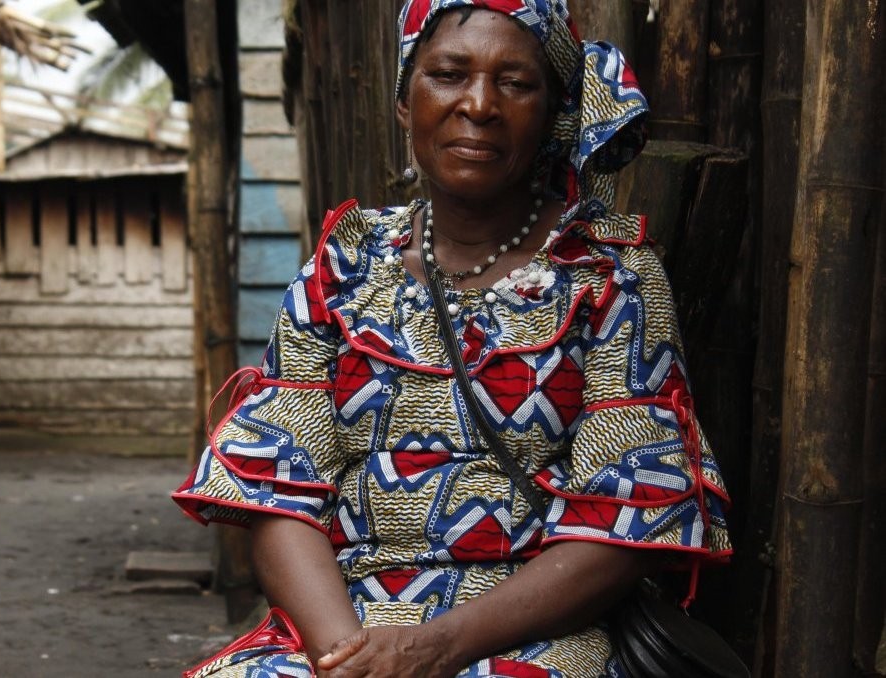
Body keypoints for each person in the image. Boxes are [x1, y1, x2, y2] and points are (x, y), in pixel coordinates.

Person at [171, 1, 733, 676]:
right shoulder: (343, 268)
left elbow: (631, 514)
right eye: (447, 74)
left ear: (552, 113)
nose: (479, 105)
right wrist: (345, 657)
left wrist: (434, 648)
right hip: (344, 624)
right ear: (404, 101)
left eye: (515, 83)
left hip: (533, 633)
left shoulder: (608, 278)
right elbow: (276, 490)